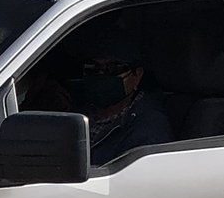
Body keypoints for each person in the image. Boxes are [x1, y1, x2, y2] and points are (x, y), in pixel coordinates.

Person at [63, 26, 174, 165]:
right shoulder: (77, 112)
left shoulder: (148, 128)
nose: (102, 75)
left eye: (114, 69)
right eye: (93, 68)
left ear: (137, 75)